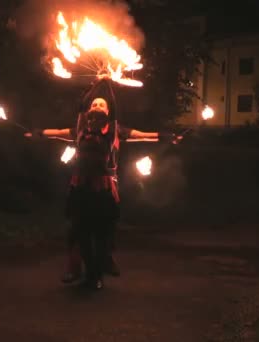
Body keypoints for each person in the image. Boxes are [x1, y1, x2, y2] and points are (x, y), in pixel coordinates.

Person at [26, 78, 178, 289]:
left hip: (105, 188)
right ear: (88, 110)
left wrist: (165, 136)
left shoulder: (116, 130)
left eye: (102, 104)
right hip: (81, 186)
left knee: (103, 230)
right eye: (94, 104)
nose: (97, 106)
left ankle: (100, 267)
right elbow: (59, 132)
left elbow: (143, 135)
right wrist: (38, 134)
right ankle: (79, 268)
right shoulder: (81, 129)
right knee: (79, 229)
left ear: (109, 111)